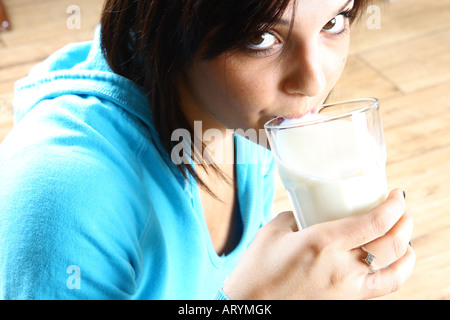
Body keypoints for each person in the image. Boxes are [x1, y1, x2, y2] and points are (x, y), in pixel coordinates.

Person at [0, 0, 415, 300]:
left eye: (334, 21)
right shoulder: (64, 203)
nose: (312, 81)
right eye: (261, 36)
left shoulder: (246, 120)